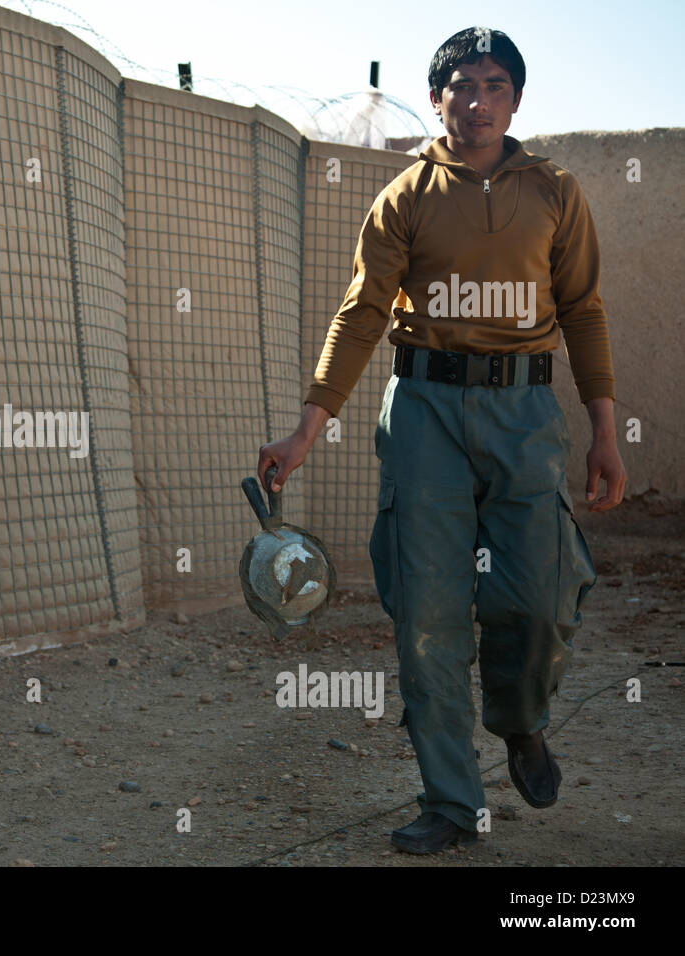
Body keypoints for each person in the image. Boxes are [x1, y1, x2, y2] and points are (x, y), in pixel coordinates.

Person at [257, 26, 627, 854]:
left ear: (516, 99)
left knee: (535, 598)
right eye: (462, 84)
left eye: (495, 84)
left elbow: (584, 311)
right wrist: (308, 426)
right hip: (423, 410)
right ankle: (451, 803)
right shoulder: (405, 196)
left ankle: (521, 720)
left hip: (525, 418)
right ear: (437, 99)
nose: (478, 99)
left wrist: (605, 431)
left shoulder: (556, 192)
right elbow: (361, 313)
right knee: (426, 610)